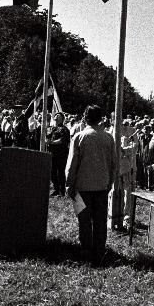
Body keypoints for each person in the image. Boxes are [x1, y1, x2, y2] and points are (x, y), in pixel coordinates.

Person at [65, 105, 117, 266]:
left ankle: (86, 250)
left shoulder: (79, 137)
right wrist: (109, 183)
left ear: (85, 117)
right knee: (100, 221)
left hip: (83, 187)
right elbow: (113, 164)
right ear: (100, 118)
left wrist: (69, 184)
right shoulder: (108, 138)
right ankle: (99, 250)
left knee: (84, 221)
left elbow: (72, 164)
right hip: (102, 186)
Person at [47, 113, 70, 197]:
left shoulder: (64, 129)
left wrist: (52, 142)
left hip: (61, 154)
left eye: (58, 115)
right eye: (55, 115)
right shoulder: (53, 128)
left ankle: (62, 191)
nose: (56, 116)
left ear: (62, 119)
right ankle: (56, 189)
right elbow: (47, 136)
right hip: (53, 153)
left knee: (60, 173)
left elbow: (62, 140)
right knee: (52, 172)